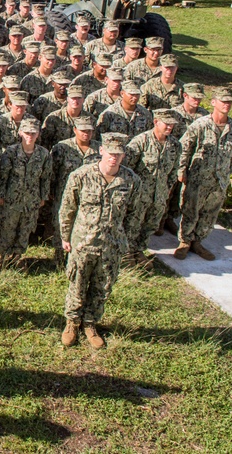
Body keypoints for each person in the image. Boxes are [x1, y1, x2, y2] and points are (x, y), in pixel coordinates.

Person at [58, 133, 142, 349]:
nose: (113, 158)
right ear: (102, 151)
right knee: (77, 284)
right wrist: (65, 237)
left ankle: (90, 323)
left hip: (111, 245)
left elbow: (135, 213)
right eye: (110, 153)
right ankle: (72, 322)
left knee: (102, 287)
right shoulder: (81, 176)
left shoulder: (130, 180)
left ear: (123, 155)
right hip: (83, 243)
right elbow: (68, 208)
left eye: (118, 154)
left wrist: (127, 240)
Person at [175, 88, 232, 261]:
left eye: (229, 102)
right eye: (223, 101)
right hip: (198, 178)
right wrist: (182, 170)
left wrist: (228, 172)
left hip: (219, 180)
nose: (226, 105)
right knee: (191, 209)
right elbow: (184, 148)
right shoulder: (201, 125)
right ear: (213, 102)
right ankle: (185, 241)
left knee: (210, 212)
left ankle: (198, 241)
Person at [123, 109, 181, 270]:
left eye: (172, 125)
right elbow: (127, 169)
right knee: (132, 224)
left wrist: (167, 190)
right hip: (140, 194)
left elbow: (173, 171)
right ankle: (127, 255)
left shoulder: (175, 145)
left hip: (159, 196)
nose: (169, 127)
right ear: (156, 122)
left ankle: (139, 250)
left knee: (150, 225)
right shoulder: (140, 142)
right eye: (166, 124)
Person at [0, 118, 52, 267]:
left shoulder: (44, 154)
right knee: (8, 227)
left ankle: (18, 256)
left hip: (31, 199)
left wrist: (43, 196)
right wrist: (0, 194)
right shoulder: (11, 152)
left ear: (38, 134)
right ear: (20, 133)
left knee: (25, 228)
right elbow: (3, 175)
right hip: (12, 198)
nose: (30, 136)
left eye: (33, 133)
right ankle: (4, 256)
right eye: (27, 132)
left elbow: (45, 177)